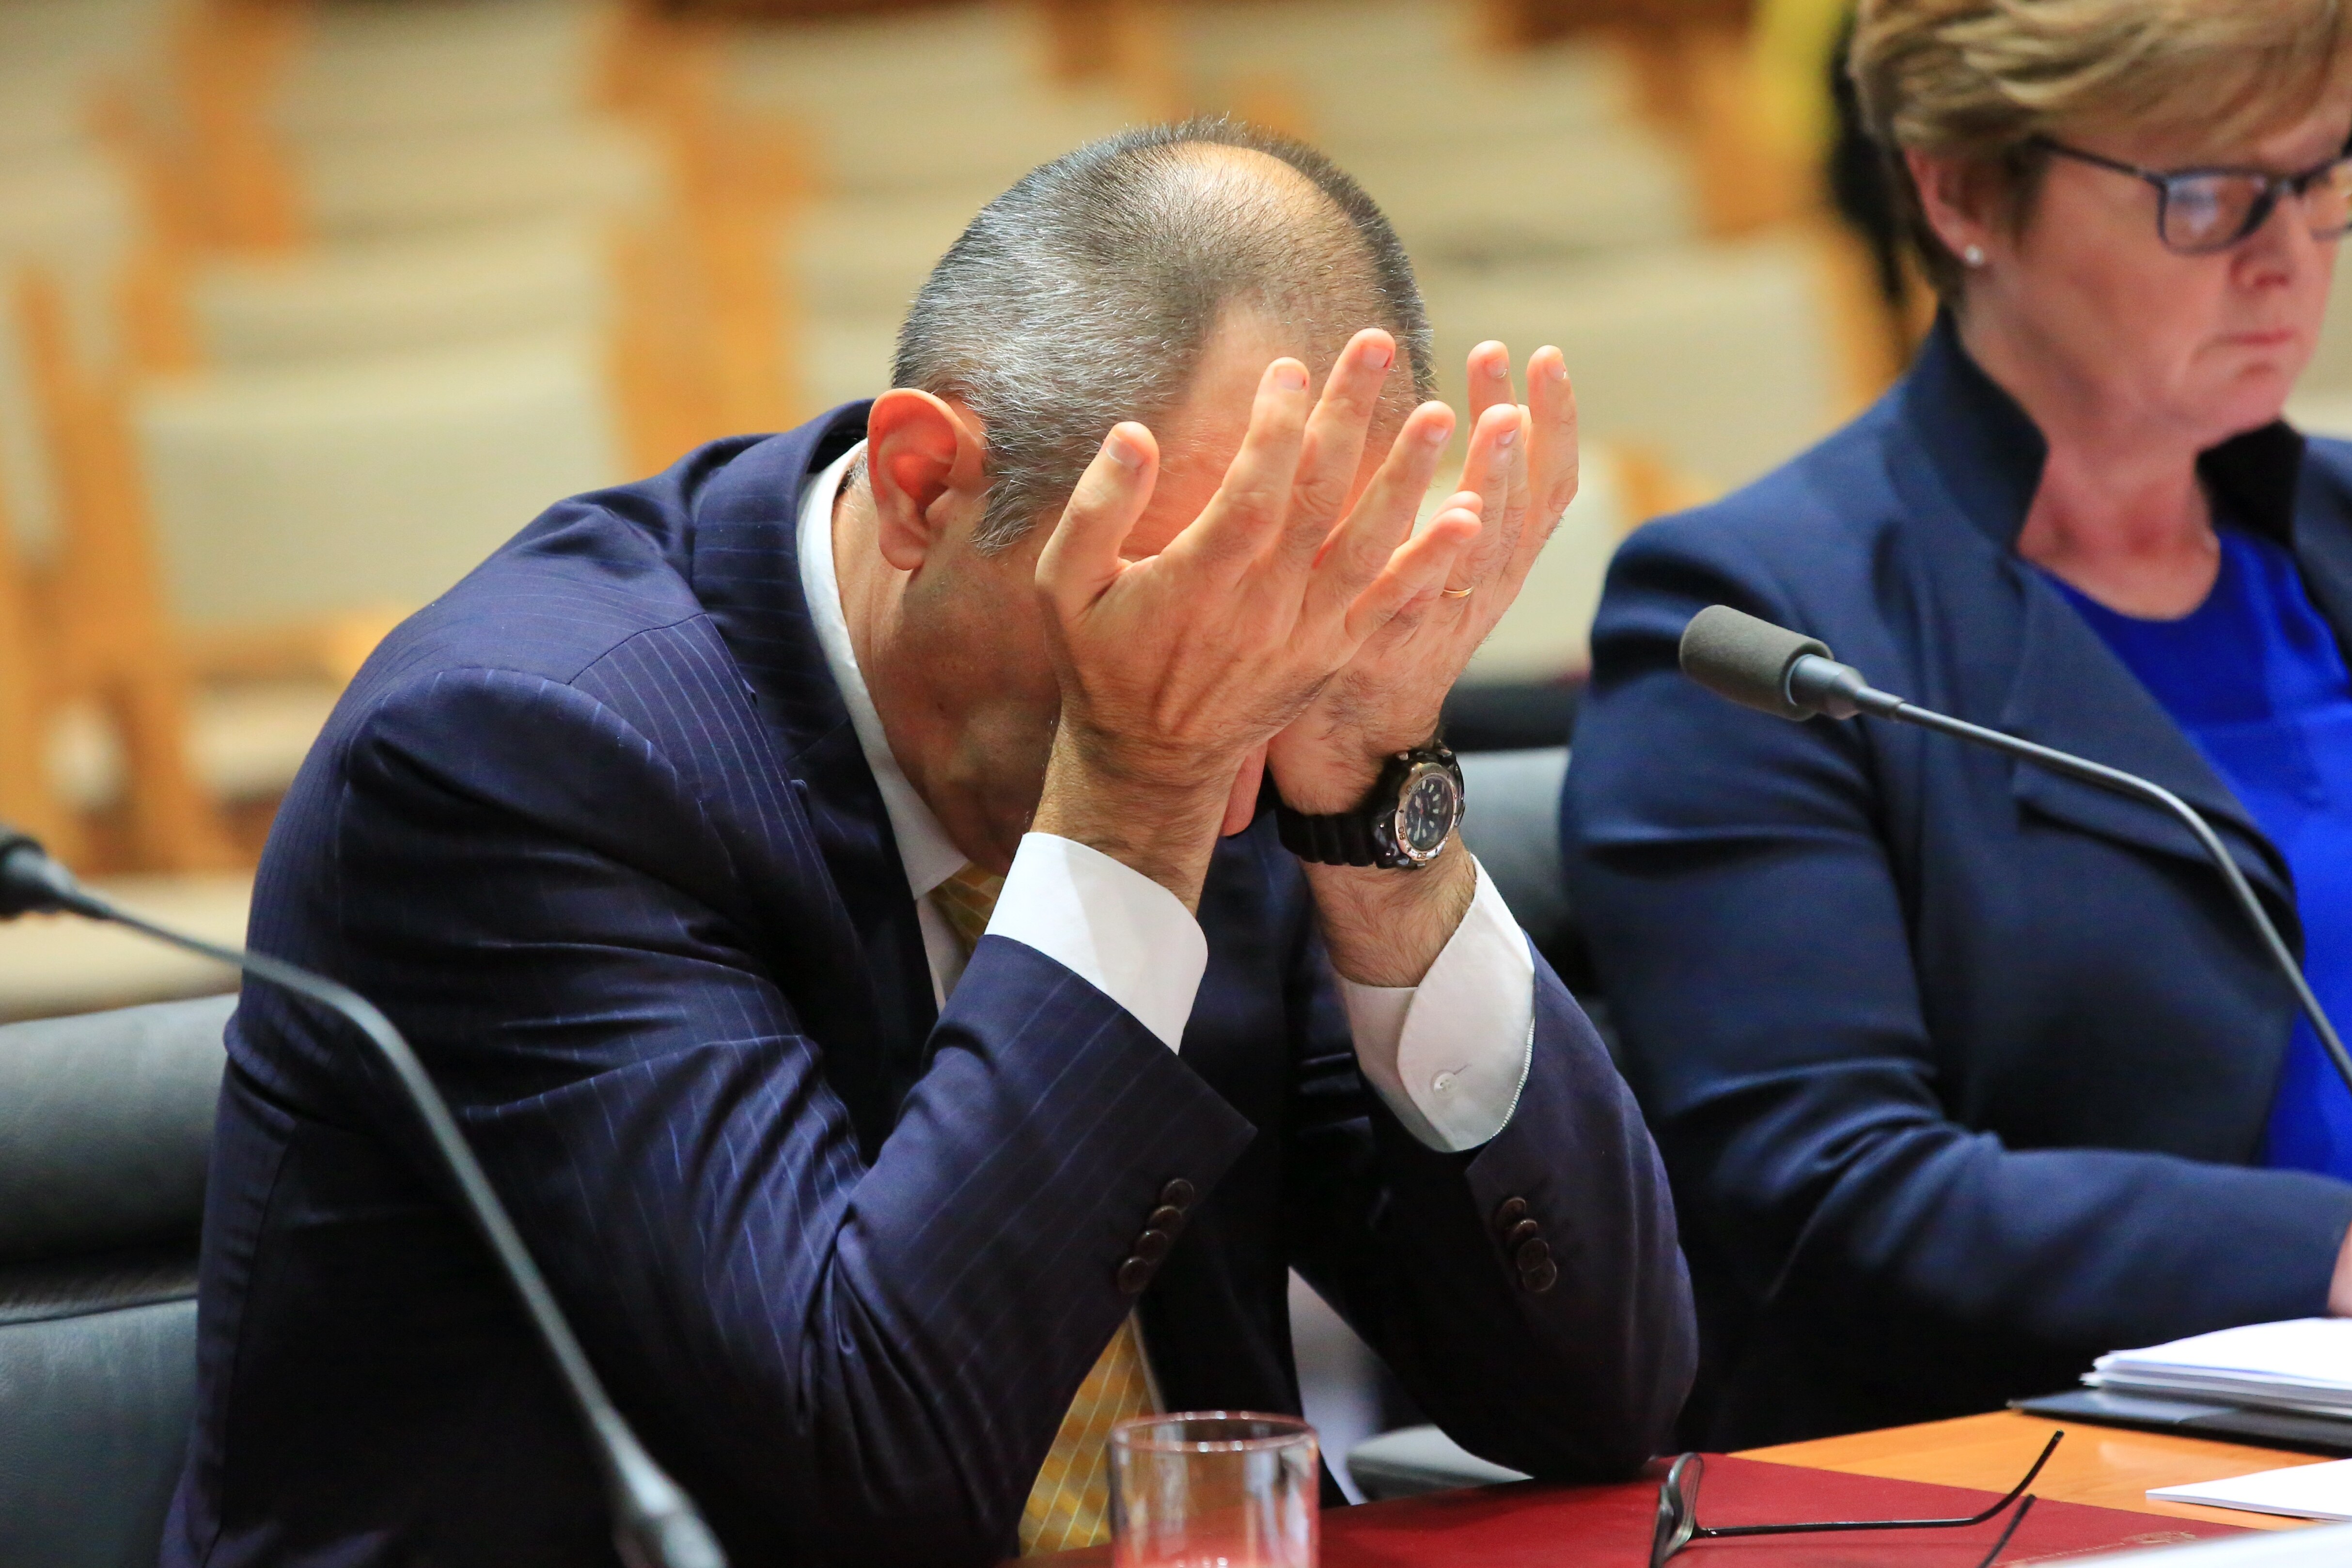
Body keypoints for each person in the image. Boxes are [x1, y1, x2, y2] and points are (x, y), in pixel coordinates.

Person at [163, 121, 1694, 1567]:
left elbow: (1598, 1395)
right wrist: (1136, 790)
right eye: (1167, 618)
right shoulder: (526, 754)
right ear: (921, 485)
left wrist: (1380, 816)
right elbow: (874, 1468)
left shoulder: (1230, 697)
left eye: (1290, 622)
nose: (1238, 774)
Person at [1564, 0, 2352, 1449]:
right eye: (2211, 195)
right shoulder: (1762, 621)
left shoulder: (2338, 538)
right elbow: (1832, 1186)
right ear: (1965, 189)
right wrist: (2329, 1254)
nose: (2288, 258)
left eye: (2322, 179)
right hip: (2066, 1473)